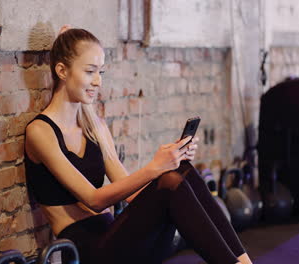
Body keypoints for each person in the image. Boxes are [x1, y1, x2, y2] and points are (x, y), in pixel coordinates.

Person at [24, 26, 253, 264]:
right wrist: (155, 168)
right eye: (90, 71)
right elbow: (93, 199)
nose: (98, 81)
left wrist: (170, 161)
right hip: (89, 252)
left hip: (119, 238)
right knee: (169, 178)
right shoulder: (40, 132)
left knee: (181, 171)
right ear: (62, 70)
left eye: (100, 72)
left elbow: (132, 194)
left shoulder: (95, 127)